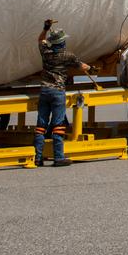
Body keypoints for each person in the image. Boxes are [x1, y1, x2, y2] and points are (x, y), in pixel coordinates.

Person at [36, 18, 91, 167]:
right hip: (58, 91)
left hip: (44, 90)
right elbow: (82, 66)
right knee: (58, 124)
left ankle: (38, 158)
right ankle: (58, 157)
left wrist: (45, 28)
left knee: (41, 125)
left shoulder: (45, 52)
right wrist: (90, 68)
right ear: (62, 42)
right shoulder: (68, 56)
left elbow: (40, 40)